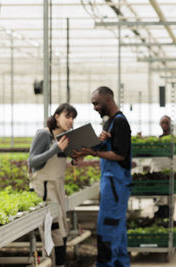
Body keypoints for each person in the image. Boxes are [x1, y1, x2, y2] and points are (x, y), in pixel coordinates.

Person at [74, 86, 132, 267]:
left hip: (116, 185)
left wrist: (93, 152)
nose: (94, 107)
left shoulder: (121, 123)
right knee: (118, 230)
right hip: (112, 184)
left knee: (107, 228)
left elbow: (120, 155)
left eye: (96, 103)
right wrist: (99, 143)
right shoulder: (110, 123)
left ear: (108, 100)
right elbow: (111, 148)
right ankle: (121, 263)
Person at [28, 103, 78, 267]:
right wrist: (54, 149)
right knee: (51, 232)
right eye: (67, 116)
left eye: (72, 118)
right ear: (56, 116)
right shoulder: (44, 134)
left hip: (58, 191)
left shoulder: (66, 137)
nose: (70, 121)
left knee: (62, 232)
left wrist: (75, 159)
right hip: (45, 191)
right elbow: (32, 161)